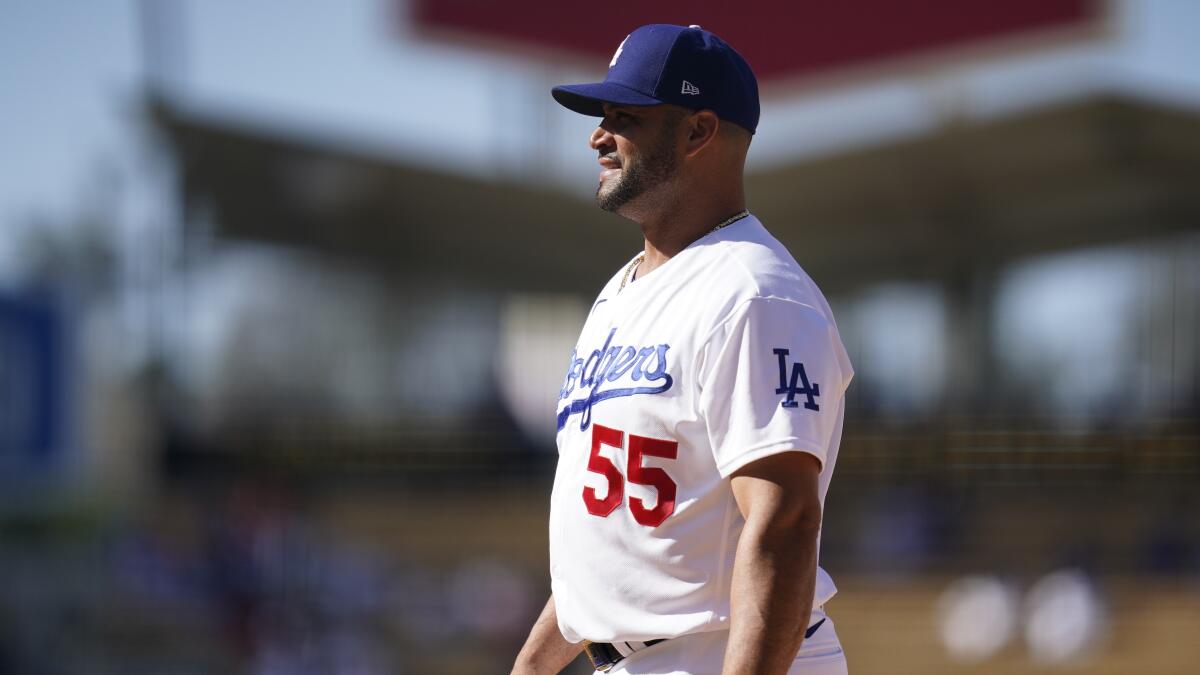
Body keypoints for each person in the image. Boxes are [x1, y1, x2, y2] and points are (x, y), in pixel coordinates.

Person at [512, 24, 854, 675]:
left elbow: (783, 520)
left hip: (714, 654)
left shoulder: (753, 291)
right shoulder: (619, 295)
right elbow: (621, 538)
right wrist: (532, 665)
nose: (597, 135)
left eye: (625, 116)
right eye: (601, 115)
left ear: (699, 132)